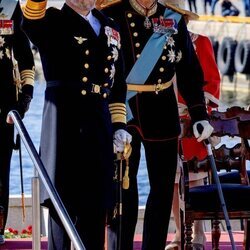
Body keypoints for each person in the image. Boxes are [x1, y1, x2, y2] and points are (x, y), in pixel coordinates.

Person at [101, 0, 214, 249]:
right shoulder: (111, 15)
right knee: (123, 189)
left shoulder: (172, 18)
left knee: (162, 190)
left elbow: (188, 69)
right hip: (124, 110)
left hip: (162, 107)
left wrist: (199, 114)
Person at [22, 0, 132, 249]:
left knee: (96, 210)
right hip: (64, 126)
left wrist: (119, 125)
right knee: (62, 210)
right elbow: (30, 19)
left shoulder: (109, 25)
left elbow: (118, 83)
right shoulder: (51, 20)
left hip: (99, 125)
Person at [161, 1, 221, 250]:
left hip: (191, 121)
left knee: (195, 178)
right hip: (165, 120)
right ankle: (178, 231)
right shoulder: (156, 44)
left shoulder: (200, 42)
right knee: (172, 180)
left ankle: (197, 233)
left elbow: (212, 82)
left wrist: (198, 111)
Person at [0, 0, 35, 245]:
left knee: (1, 171)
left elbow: (25, 56)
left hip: (4, 108)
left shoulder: (10, 5)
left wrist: (26, 97)